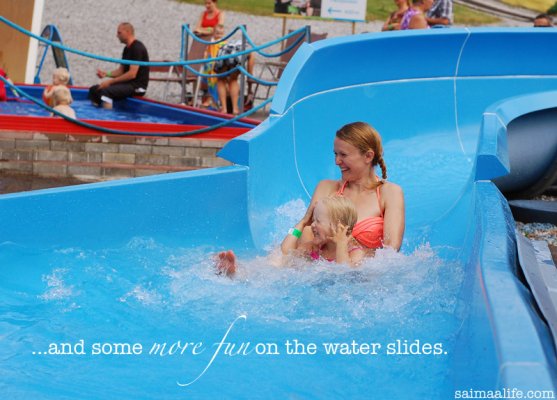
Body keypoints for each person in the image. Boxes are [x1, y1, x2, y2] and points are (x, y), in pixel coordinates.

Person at [296, 121, 405, 254]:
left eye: (343, 155)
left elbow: (391, 250)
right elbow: (307, 232)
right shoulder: (326, 188)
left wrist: (353, 253)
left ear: (368, 156)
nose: (337, 161)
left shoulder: (389, 193)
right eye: (335, 154)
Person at [216, 196, 365, 276]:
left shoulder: (355, 252)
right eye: (312, 220)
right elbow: (285, 250)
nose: (312, 225)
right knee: (278, 260)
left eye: (317, 221)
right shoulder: (315, 247)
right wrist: (302, 222)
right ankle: (238, 272)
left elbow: (344, 272)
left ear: (338, 226)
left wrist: (341, 243)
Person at [88, 22, 149, 109]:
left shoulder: (137, 48)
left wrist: (110, 82)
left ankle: (107, 117)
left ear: (128, 32)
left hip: (137, 86)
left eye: (119, 33)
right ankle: (95, 114)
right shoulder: (126, 49)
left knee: (106, 92)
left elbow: (132, 74)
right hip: (127, 84)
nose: (117, 36)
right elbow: (121, 71)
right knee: (94, 90)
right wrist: (106, 74)